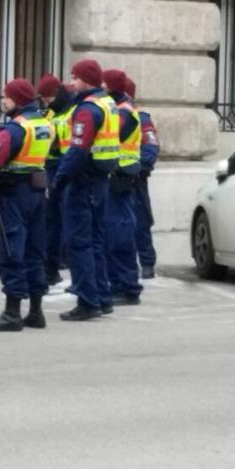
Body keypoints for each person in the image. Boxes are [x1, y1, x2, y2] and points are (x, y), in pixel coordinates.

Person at [0, 79, 51, 332]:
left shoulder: (15, 129)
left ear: (18, 99)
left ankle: (12, 313)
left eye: (6, 97)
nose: (3, 101)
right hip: (37, 191)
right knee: (35, 250)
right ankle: (36, 311)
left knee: (11, 249)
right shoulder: (44, 124)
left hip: (14, 194)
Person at [49, 59, 120, 322]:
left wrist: (59, 180)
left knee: (79, 242)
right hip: (99, 180)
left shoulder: (87, 110)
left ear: (86, 80)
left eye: (74, 78)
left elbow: (77, 150)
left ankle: (88, 301)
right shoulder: (106, 102)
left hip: (83, 180)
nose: (70, 83)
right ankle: (102, 297)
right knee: (96, 240)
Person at [102, 69, 143, 306]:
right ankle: (118, 284)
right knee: (113, 233)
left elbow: (109, 136)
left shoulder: (124, 112)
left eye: (103, 83)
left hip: (121, 178)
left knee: (120, 234)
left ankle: (127, 287)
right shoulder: (118, 109)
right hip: (115, 177)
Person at [37, 73, 73, 286]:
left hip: (66, 168)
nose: (45, 102)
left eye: (47, 97)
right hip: (50, 168)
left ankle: (60, 261)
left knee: (64, 217)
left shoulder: (73, 111)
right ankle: (53, 265)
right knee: (51, 219)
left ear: (57, 93)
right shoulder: (50, 112)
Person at [126, 78, 159, 278]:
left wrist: (139, 168)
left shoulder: (141, 118)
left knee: (140, 222)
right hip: (117, 178)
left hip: (135, 179)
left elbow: (150, 148)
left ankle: (147, 263)